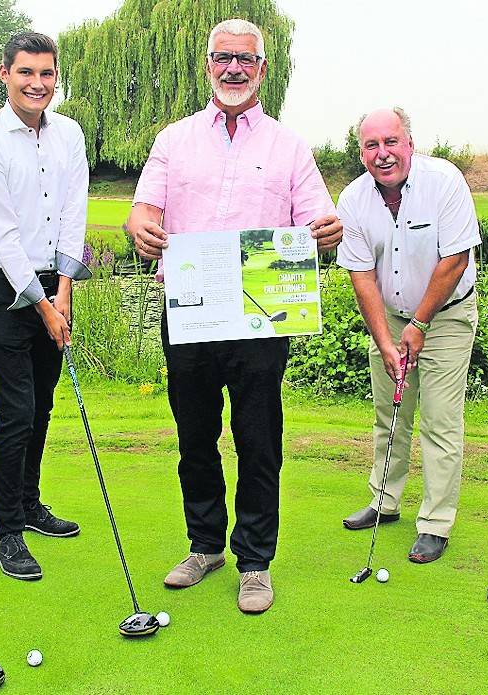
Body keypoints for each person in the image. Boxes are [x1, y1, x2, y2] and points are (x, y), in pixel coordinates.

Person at [128, 18, 342, 614]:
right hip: (191, 312)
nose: (233, 69)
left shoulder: (289, 145)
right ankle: (205, 545)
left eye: (245, 60)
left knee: (257, 438)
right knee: (195, 436)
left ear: (262, 70)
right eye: (222, 57)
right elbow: (143, 210)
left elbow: (318, 219)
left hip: (261, 316)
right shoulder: (174, 140)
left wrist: (326, 230)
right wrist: (140, 228)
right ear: (207, 64)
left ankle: (254, 560)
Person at [0, 32, 89, 581]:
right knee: (15, 410)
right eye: (26, 73)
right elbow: (6, 236)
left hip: (52, 284)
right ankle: (6, 530)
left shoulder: (69, 134)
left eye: (47, 73)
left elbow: (73, 211)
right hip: (1, 289)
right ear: (4, 74)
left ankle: (30, 503)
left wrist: (63, 288)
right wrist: (43, 306)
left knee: (42, 405)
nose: (38, 84)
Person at [336, 108, 480, 564]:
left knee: (439, 418)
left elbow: (455, 258)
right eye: (372, 146)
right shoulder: (354, 199)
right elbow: (361, 274)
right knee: (389, 413)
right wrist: (384, 340)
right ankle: (384, 501)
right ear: (361, 152)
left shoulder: (445, 181)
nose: (383, 154)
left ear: (410, 143)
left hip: (447, 317)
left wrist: (419, 325)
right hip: (391, 317)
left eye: (391, 142)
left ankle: (436, 522)